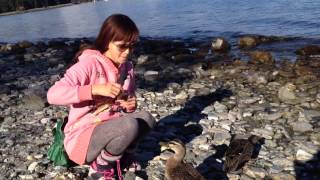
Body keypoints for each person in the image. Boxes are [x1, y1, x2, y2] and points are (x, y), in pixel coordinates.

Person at [47, 14, 156, 180]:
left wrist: (130, 104)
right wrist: (94, 89)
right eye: (122, 47)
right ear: (107, 41)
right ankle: (100, 167)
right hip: (82, 138)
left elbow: (127, 98)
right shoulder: (89, 64)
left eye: (132, 46)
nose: (127, 52)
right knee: (129, 125)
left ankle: (122, 158)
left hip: (111, 128)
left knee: (147, 119)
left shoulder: (127, 68)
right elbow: (52, 95)